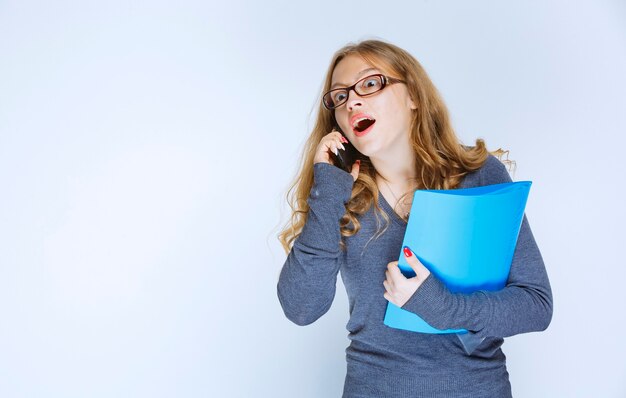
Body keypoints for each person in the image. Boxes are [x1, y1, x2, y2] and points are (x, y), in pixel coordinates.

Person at [276, 39, 553, 398]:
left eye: (370, 83)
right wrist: (329, 189)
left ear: (414, 96)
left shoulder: (479, 175)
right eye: (339, 97)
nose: (352, 102)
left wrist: (442, 306)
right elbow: (301, 308)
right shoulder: (340, 195)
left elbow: (536, 306)